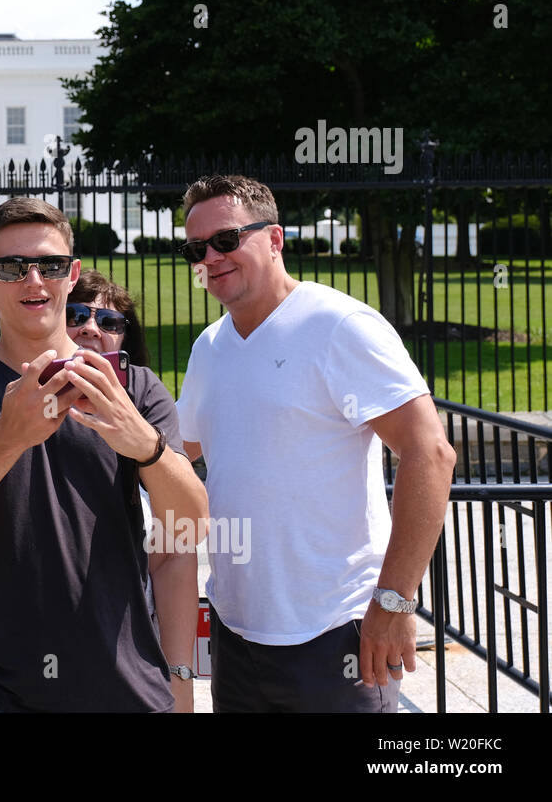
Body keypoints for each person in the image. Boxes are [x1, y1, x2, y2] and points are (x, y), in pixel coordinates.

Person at [0, 197, 208, 712]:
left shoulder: (134, 388)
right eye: (12, 267)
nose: (33, 280)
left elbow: (190, 526)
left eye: (49, 265)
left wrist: (144, 445)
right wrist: (8, 435)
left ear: (73, 274)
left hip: (126, 689)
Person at [175, 174, 454, 712]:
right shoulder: (210, 346)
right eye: (197, 247)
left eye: (227, 240)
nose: (210, 256)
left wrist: (394, 602)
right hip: (237, 632)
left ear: (275, 239)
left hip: (337, 632)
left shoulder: (339, 325)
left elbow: (431, 453)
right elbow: (176, 455)